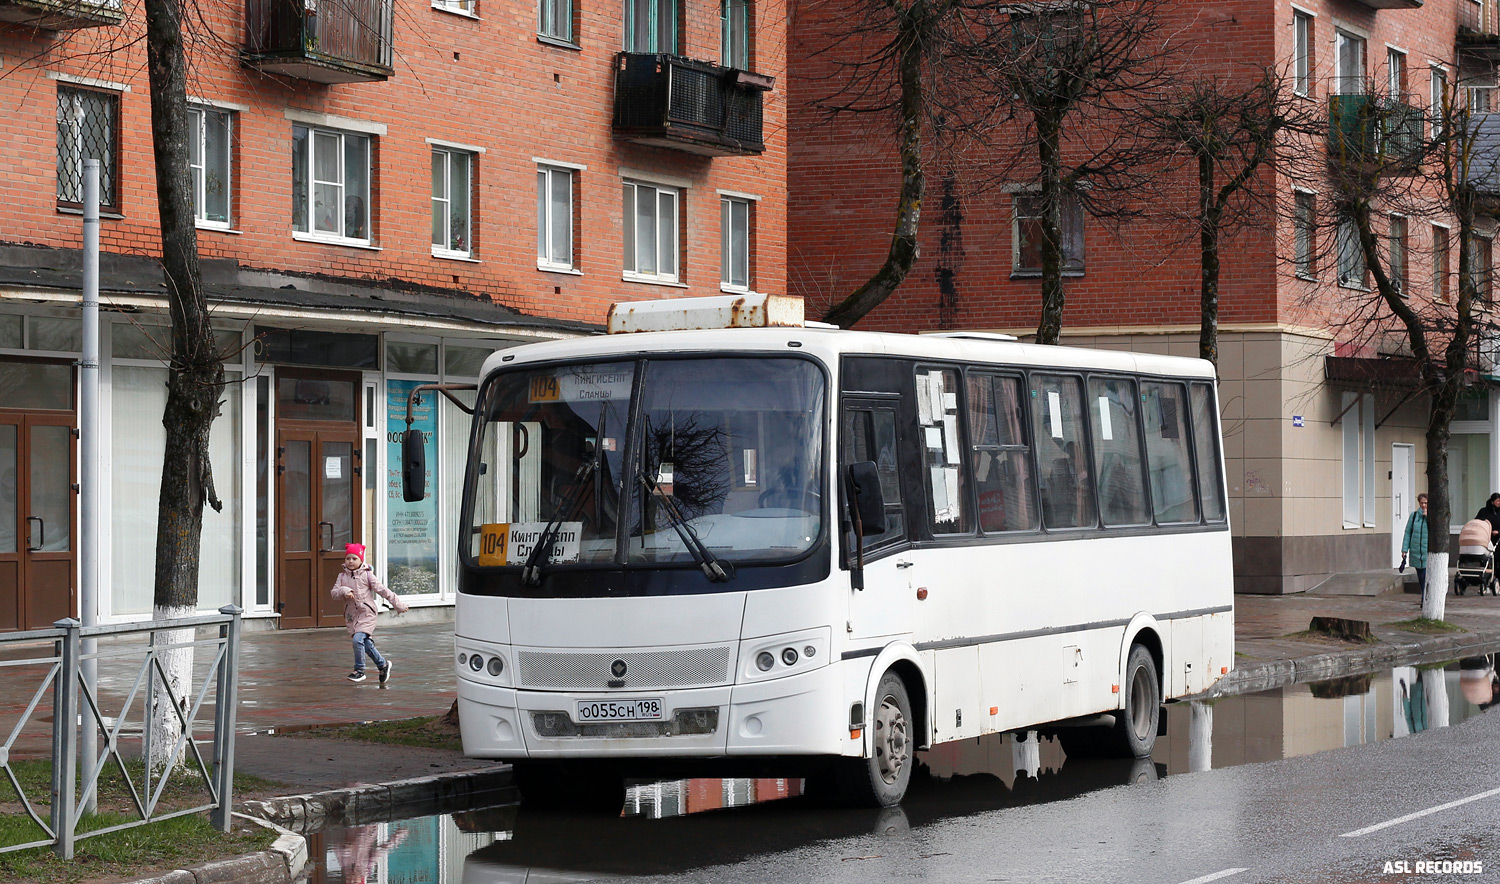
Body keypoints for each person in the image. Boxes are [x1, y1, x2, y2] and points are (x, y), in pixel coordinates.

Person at [331, 543, 407, 683]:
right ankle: (383, 665)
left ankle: (359, 670)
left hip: (367, 614)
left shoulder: (367, 575)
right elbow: (334, 593)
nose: (351, 561)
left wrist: (398, 604)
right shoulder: (342, 577)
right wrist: (344, 591)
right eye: (348, 558)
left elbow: (383, 591)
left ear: (361, 560)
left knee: (357, 640)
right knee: (365, 643)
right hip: (352, 616)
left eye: (354, 558)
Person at [1401, 493, 1430, 602]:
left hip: (1427, 551)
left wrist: (1428, 518)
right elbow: (1408, 532)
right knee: (1421, 576)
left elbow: (1435, 531)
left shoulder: (1432, 516)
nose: (1424, 505)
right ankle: (1424, 594)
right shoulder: (1413, 516)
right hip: (1416, 551)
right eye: (1422, 503)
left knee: (1427, 575)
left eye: (1426, 503)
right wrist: (1404, 549)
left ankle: (1426, 597)